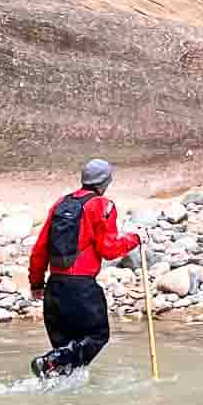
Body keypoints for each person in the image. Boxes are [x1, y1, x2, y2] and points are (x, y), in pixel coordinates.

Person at [28, 158, 143, 378]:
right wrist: (135, 238)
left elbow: (40, 249)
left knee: (66, 366)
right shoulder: (103, 205)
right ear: (106, 182)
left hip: (54, 289)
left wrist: (36, 284)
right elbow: (109, 249)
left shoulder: (60, 203)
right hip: (82, 289)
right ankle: (51, 361)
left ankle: (59, 391)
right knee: (97, 336)